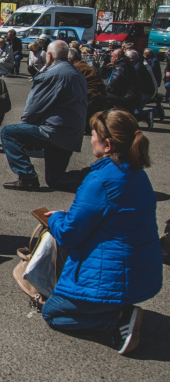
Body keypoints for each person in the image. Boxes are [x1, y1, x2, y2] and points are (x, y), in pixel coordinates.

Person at [42, 109, 162, 355]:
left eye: (93, 134)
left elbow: (69, 234)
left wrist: (55, 217)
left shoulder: (100, 180)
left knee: (52, 312)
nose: (91, 138)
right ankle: (116, 311)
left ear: (108, 145)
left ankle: (116, 320)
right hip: (141, 272)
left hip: (112, 277)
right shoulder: (135, 173)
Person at [0, 40, 87, 191]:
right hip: (72, 133)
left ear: (49, 56)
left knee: (8, 133)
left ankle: (27, 177)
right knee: (55, 180)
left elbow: (34, 107)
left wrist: (25, 129)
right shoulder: (76, 73)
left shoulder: (51, 74)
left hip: (54, 131)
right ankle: (95, 178)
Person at [68, 48, 107, 133]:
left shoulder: (75, 67)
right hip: (98, 94)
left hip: (93, 95)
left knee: (88, 122)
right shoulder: (82, 65)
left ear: (69, 59)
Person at [105, 48, 141, 114]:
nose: (111, 58)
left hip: (129, 97)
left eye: (112, 56)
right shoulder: (125, 63)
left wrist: (102, 90)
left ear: (117, 57)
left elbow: (113, 83)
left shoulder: (121, 66)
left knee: (105, 97)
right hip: (134, 96)